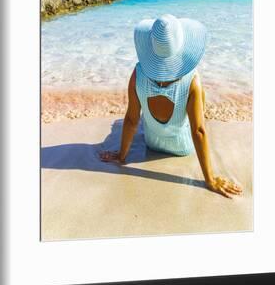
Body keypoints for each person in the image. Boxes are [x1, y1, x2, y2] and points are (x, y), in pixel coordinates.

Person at [99, 14, 242, 199]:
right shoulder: (192, 80)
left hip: (152, 144)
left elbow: (131, 120)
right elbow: (198, 131)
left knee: (126, 120)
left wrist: (122, 156)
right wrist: (210, 179)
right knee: (199, 102)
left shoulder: (138, 74)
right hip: (182, 149)